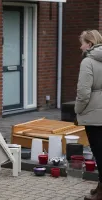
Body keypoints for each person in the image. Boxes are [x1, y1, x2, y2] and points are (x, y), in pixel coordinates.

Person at [75, 30, 102, 200]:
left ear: (90, 44)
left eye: (82, 43)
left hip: (94, 114)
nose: (80, 46)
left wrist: (77, 109)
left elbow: (83, 92)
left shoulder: (88, 61)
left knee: (99, 152)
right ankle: (100, 186)